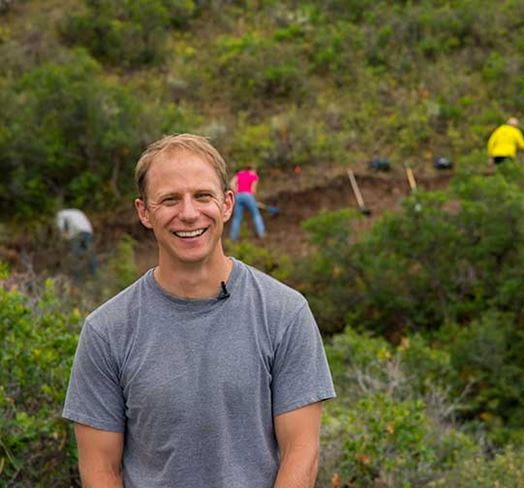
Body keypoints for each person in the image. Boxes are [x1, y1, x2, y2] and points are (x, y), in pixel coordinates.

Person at [62, 134, 336, 488]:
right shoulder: (107, 331)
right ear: (144, 212)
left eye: (202, 196)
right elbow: (100, 468)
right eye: (170, 199)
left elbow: (301, 452)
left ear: (226, 204)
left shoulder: (284, 313)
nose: (189, 213)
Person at [56, 208, 97, 275]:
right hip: (87, 231)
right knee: (91, 254)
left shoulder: (60, 215)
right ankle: (96, 274)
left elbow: (62, 230)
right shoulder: (77, 211)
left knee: (75, 257)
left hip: (76, 233)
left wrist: (65, 239)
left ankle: (78, 280)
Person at [230, 165, 266, 240]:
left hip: (238, 196)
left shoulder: (239, 174)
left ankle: (233, 238)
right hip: (248, 196)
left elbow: (231, 184)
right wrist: (253, 200)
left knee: (237, 218)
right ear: (252, 169)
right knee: (256, 215)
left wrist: (236, 191)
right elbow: (253, 190)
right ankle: (261, 234)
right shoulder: (254, 176)